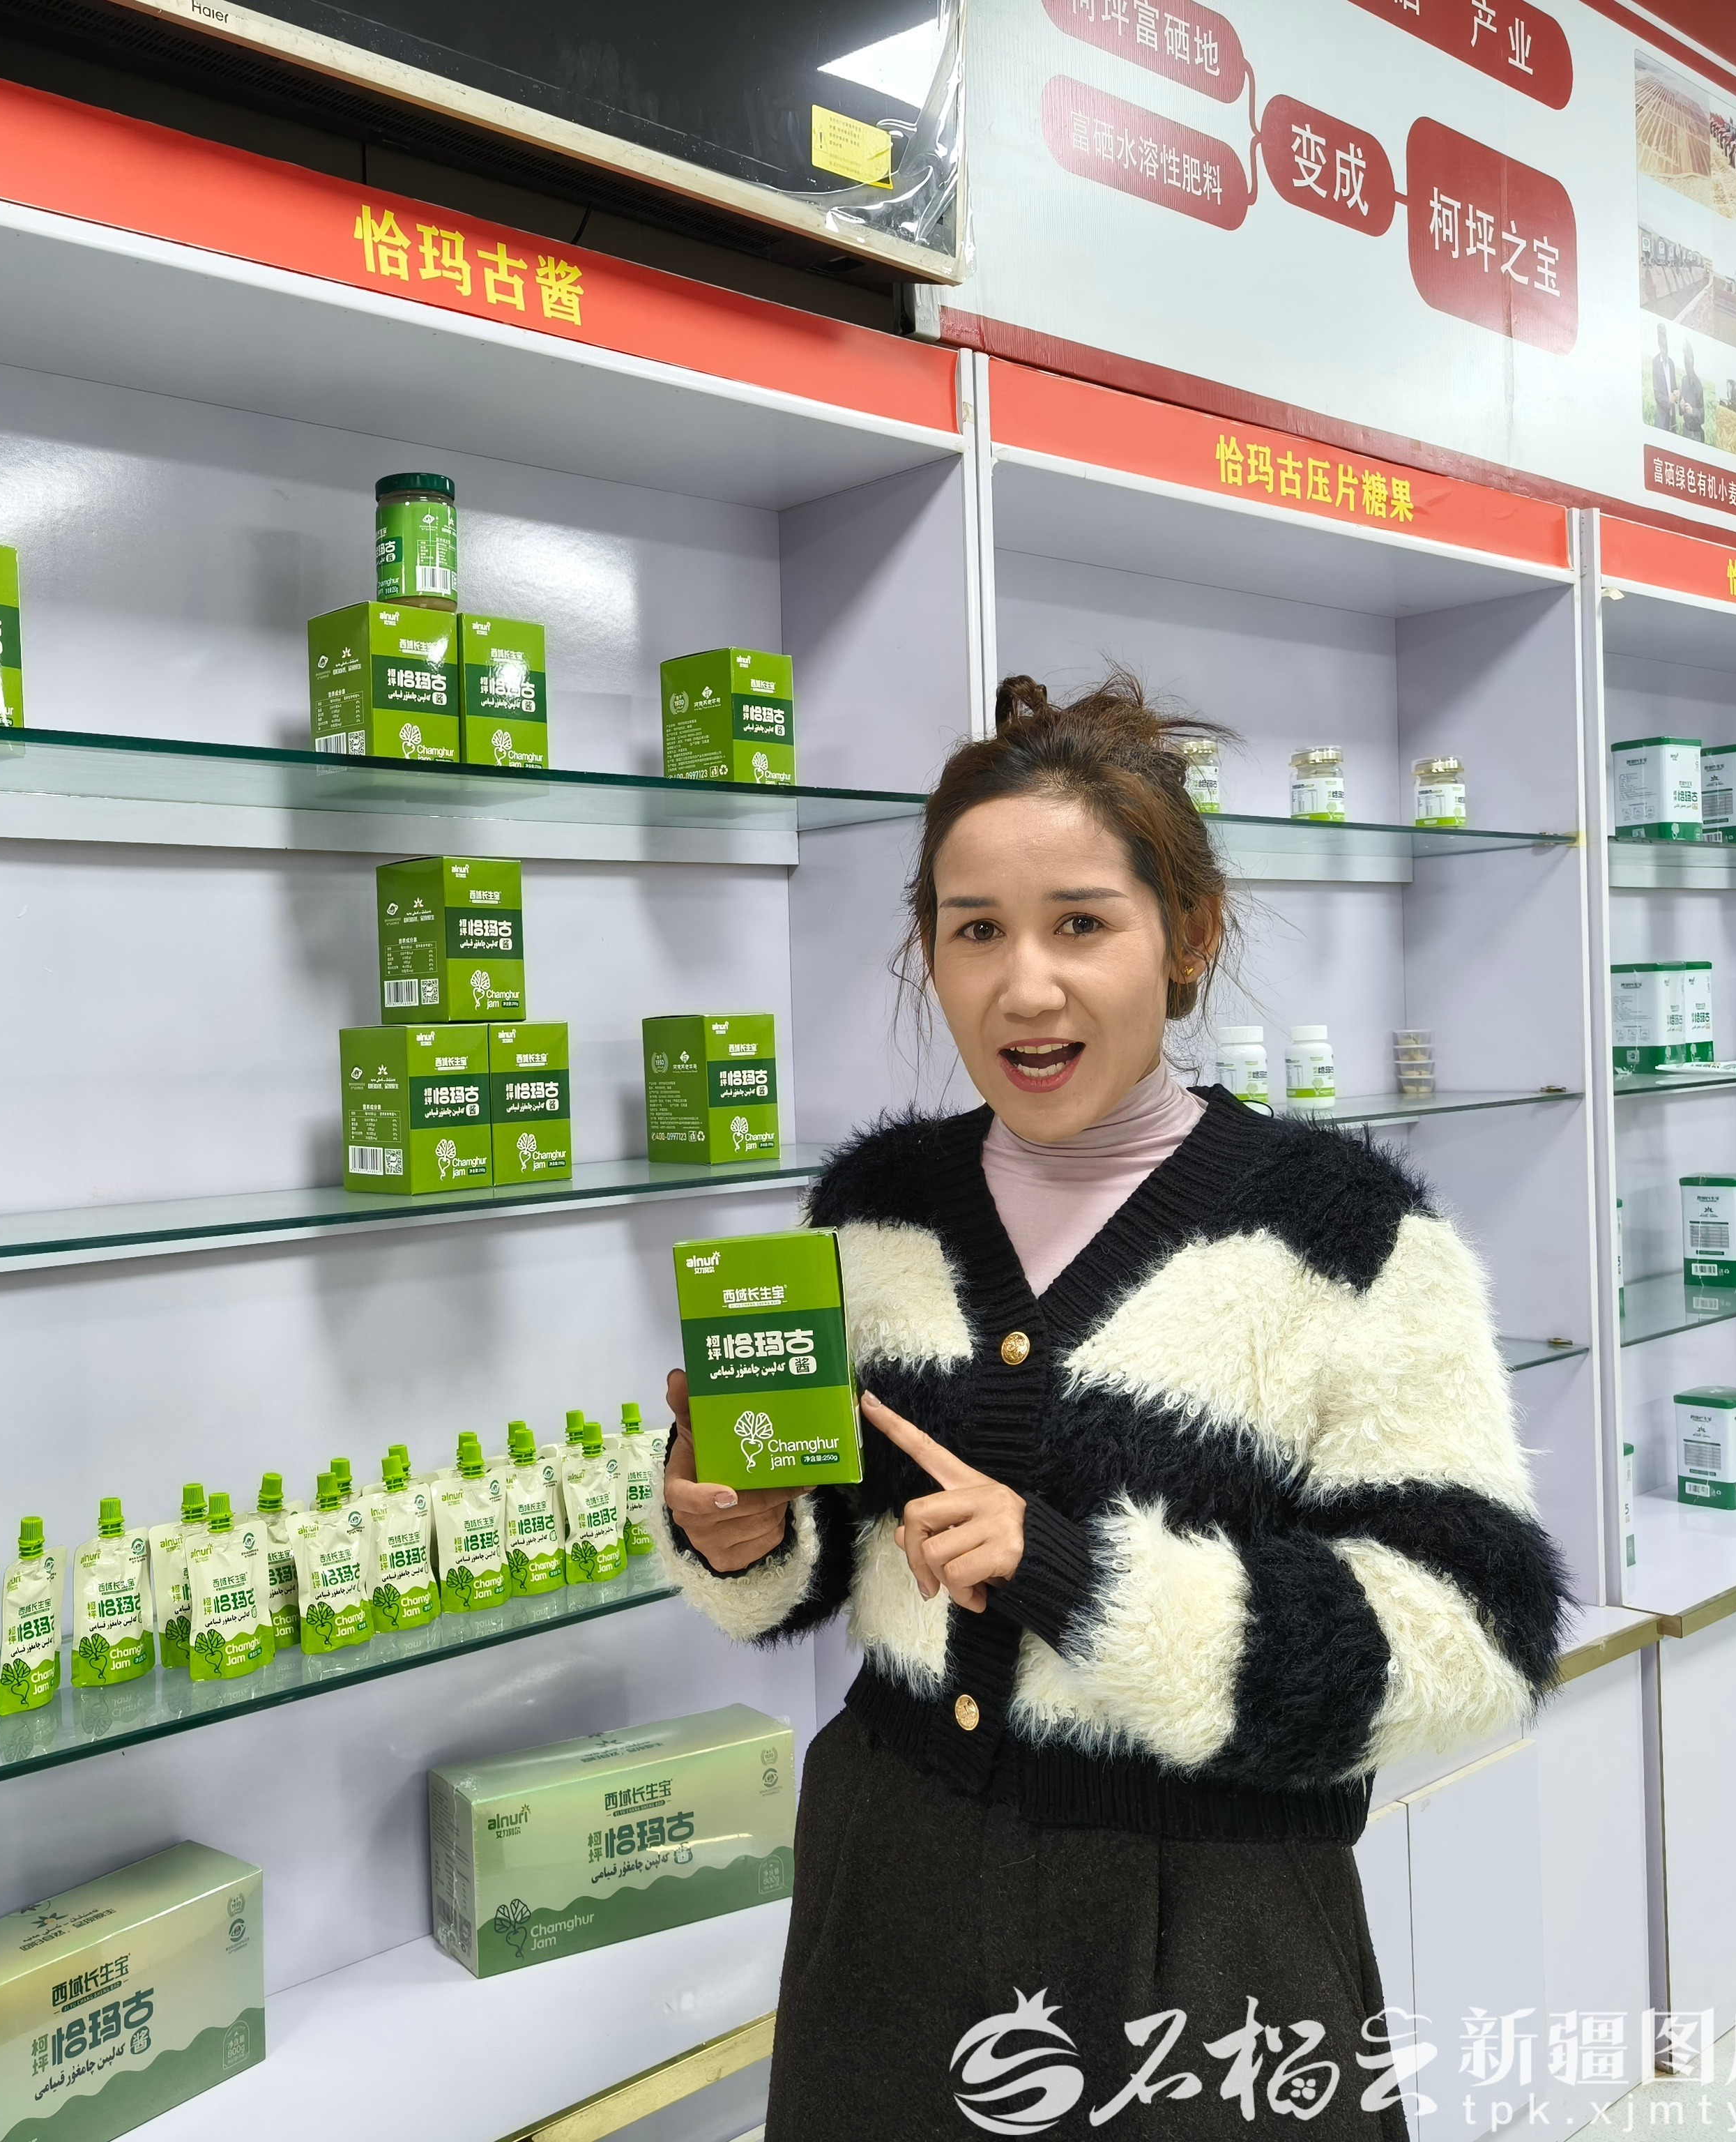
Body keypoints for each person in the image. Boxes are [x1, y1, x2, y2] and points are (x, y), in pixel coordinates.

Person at [660, 674, 1569, 2140]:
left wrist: (1083, 1581)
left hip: (1211, 1933)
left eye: (1079, 924)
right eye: (975, 931)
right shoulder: (875, 1209)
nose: (1024, 988)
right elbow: (825, 1553)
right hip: (889, 1895)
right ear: (928, 949)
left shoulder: (1344, 1234)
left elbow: (1475, 1632)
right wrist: (739, 1525)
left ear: (1188, 935)